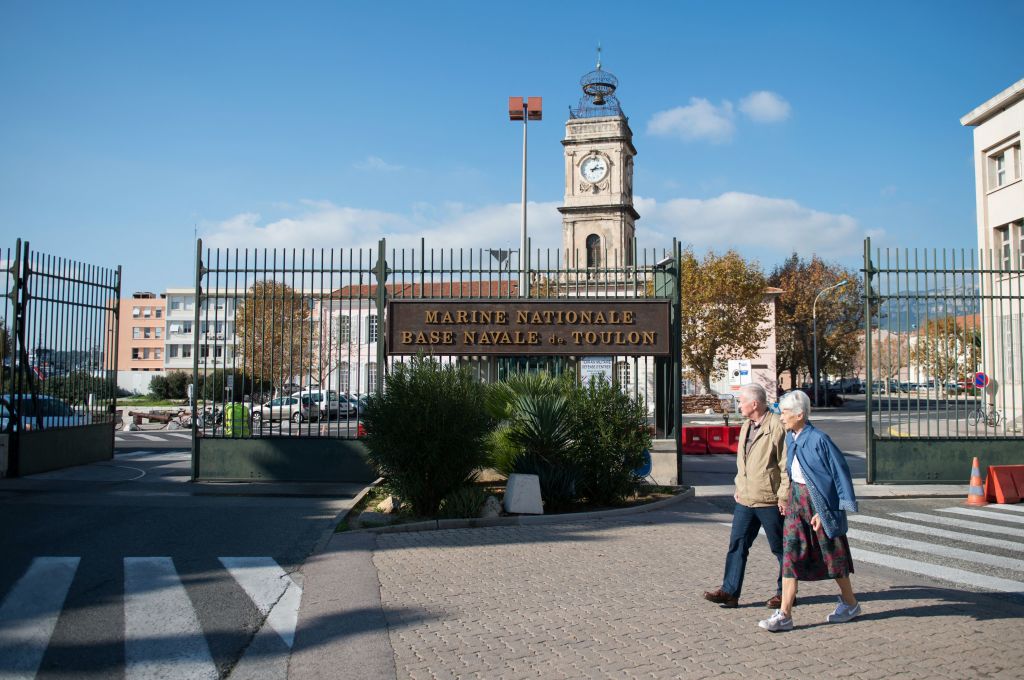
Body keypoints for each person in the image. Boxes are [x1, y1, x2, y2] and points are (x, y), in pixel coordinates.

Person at [759, 389, 860, 632]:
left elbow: (839, 475)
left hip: (818, 505)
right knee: (790, 556)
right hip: (796, 503)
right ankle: (784, 614)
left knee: (833, 557)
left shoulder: (819, 440)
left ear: (800, 414)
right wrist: (785, 498)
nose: (781, 418)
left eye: (785, 413)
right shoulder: (792, 437)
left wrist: (827, 511)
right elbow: (792, 473)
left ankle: (850, 603)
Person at [703, 383, 790, 609]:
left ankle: (785, 593)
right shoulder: (745, 426)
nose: (738, 404)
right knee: (737, 545)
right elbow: (743, 462)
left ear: (755, 404)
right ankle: (730, 592)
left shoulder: (776, 427)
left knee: (780, 548)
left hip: (769, 499)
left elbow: (785, 465)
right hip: (745, 499)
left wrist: (783, 496)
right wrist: (739, 485)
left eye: (742, 401)